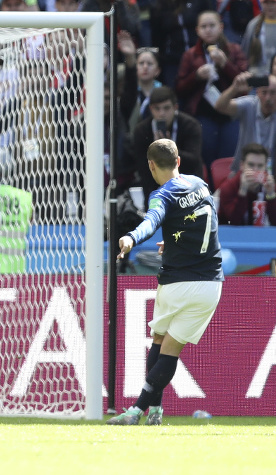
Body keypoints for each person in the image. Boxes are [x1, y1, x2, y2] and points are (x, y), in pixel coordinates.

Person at [107, 138, 223, 426]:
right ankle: (155, 413)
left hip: (178, 283)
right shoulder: (199, 183)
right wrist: (174, 241)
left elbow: (152, 219)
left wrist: (131, 237)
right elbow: (204, 221)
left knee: (164, 348)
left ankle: (136, 411)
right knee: (162, 344)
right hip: (210, 284)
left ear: (151, 165)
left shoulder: (162, 195)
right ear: (179, 161)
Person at [175, 10, 248, 169]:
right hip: (203, 114)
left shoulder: (234, 49)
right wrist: (196, 76)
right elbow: (179, 89)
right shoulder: (190, 55)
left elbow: (245, 86)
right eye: (204, 26)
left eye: (212, 26)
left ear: (221, 27)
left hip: (230, 114)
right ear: (197, 30)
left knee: (228, 158)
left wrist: (225, 64)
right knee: (206, 157)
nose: (208, 30)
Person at [132, 86, 205, 209]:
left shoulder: (191, 126)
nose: (162, 113)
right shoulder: (142, 131)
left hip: (188, 188)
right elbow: (143, 170)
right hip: (156, 188)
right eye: (157, 109)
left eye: (166, 108)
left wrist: (169, 150)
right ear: (151, 109)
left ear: (175, 107)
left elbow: (194, 161)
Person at [214, 72, 276, 174]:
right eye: (264, 92)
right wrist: (234, 88)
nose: (268, 98)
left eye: (273, 93)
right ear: (258, 92)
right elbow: (220, 106)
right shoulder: (249, 104)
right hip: (242, 172)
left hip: (271, 175)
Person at [217, 143, 276, 225]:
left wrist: (271, 195)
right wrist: (243, 191)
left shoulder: (271, 187)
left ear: (265, 166)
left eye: (260, 166)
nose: (255, 170)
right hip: (232, 236)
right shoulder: (228, 187)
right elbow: (233, 222)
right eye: (251, 165)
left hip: (261, 234)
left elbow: (275, 223)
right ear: (242, 165)